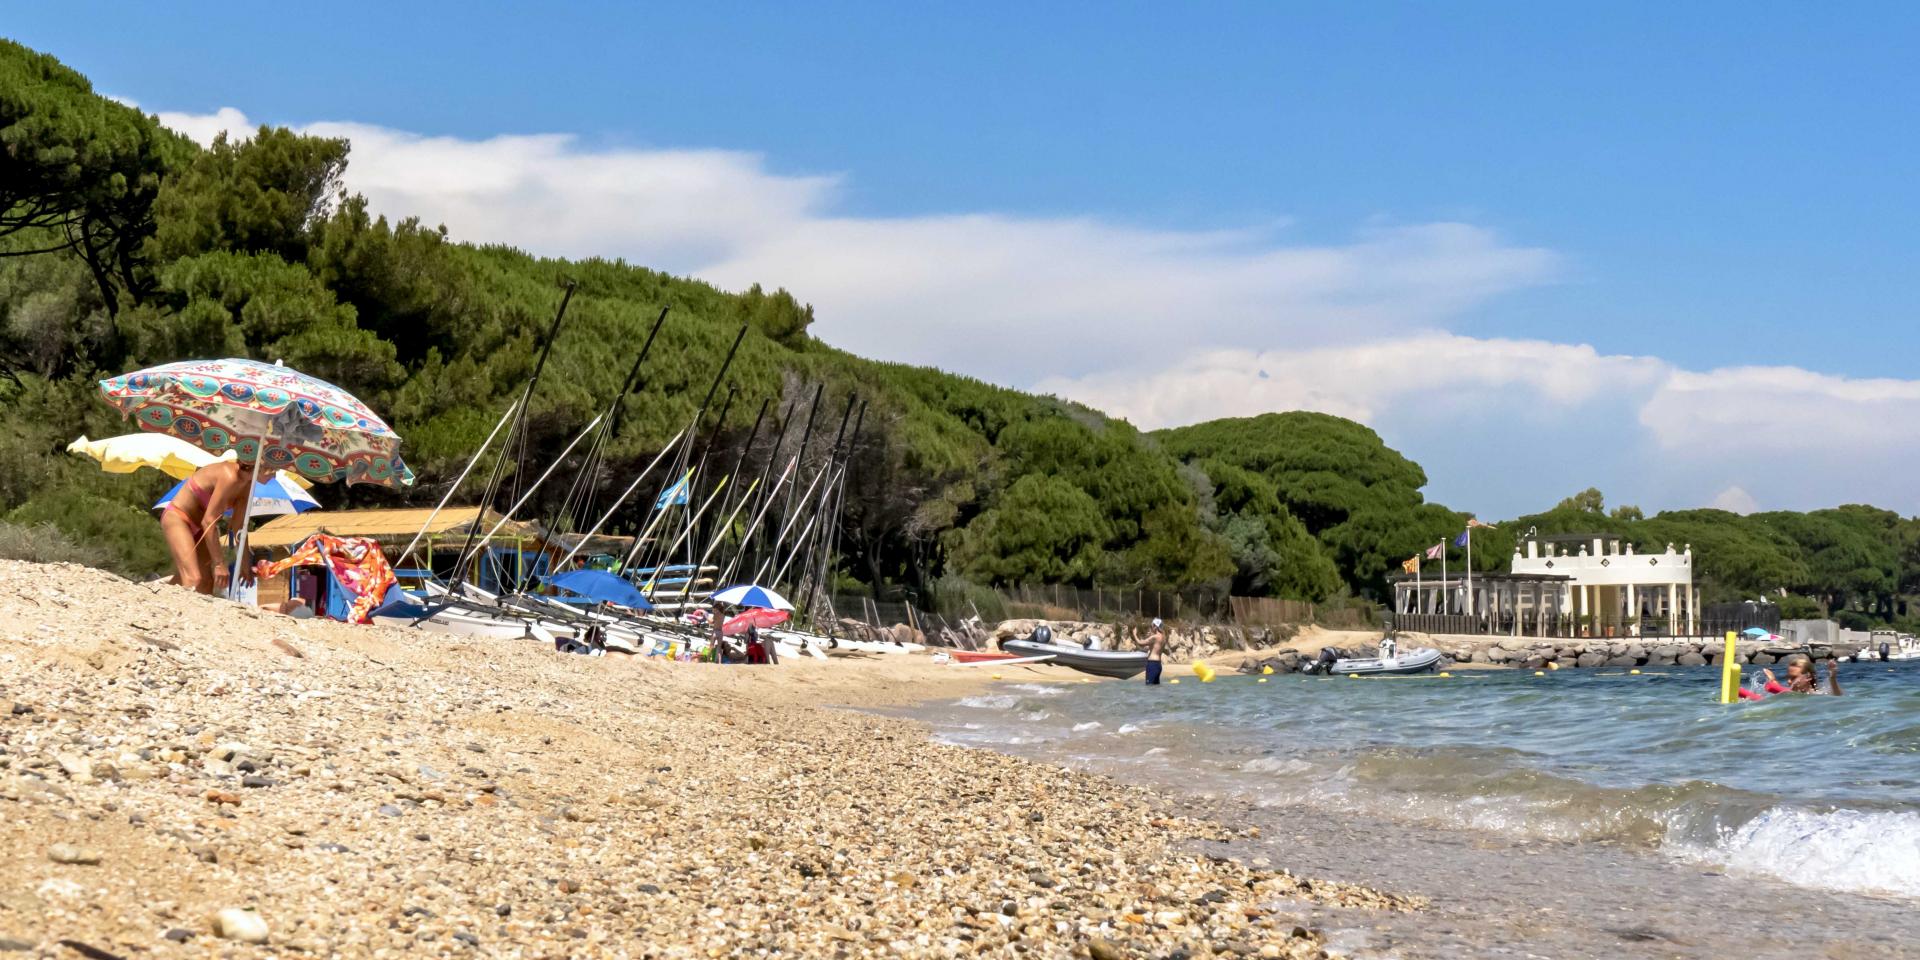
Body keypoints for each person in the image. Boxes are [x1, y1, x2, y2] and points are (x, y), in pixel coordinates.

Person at [159, 456, 257, 595]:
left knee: (206, 583)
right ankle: (176, 609)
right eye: (274, 470)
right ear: (262, 468)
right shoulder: (230, 475)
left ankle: (163, 599)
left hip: (201, 529)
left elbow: (238, 528)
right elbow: (209, 520)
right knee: (193, 579)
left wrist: (245, 563)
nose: (275, 474)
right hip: (178, 518)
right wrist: (219, 563)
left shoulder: (247, 486)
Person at [1744, 655, 1843, 698]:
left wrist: (1833, 678)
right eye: (1788, 677)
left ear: (1808, 677)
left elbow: (1837, 696)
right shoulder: (1788, 693)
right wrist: (1772, 680)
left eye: (1793, 678)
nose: (1789, 682)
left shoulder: (1818, 694)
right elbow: (1780, 691)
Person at [1143, 618, 1167, 686]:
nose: (1151, 628)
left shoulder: (1155, 637)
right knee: (1155, 687)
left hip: (1152, 664)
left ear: (1155, 627)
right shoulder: (1163, 637)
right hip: (1158, 665)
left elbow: (1140, 643)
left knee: (1149, 687)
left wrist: (1134, 634)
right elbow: (1152, 647)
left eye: (1151, 626)